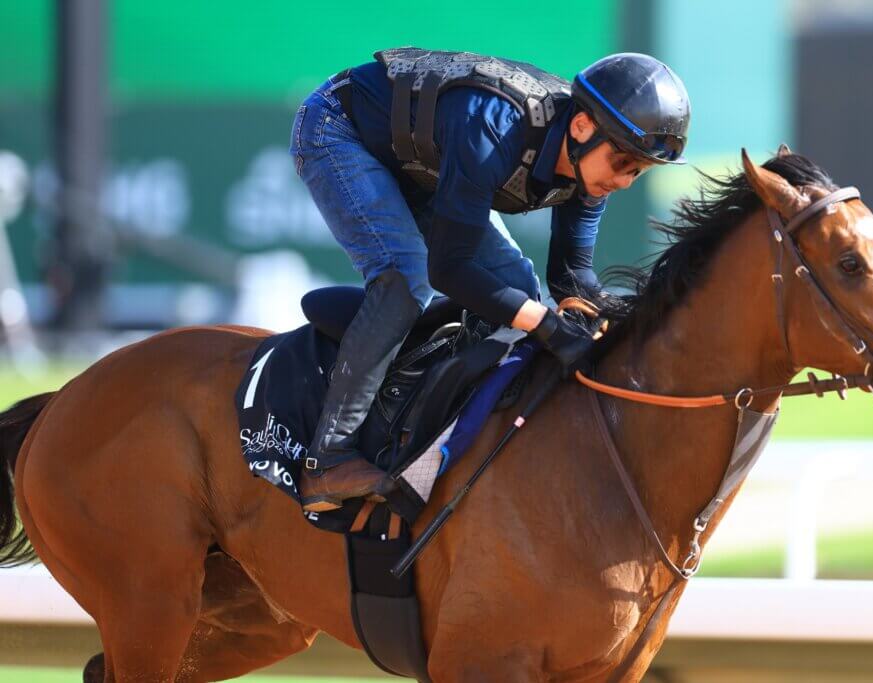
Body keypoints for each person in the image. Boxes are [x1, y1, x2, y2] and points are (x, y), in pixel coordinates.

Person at [290, 48, 690, 512]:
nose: (624, 182)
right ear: (581, 127)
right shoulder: (495, 127)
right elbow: (450, 269)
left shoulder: (588, 163)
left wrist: (619, 319)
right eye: (621, 163)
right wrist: (542, 322)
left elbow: (571, 280)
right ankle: (328, 458)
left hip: (425, 161)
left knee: (517, 286)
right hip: (340, 130)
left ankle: (433, 422)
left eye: (638, 171)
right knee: (406, 275)